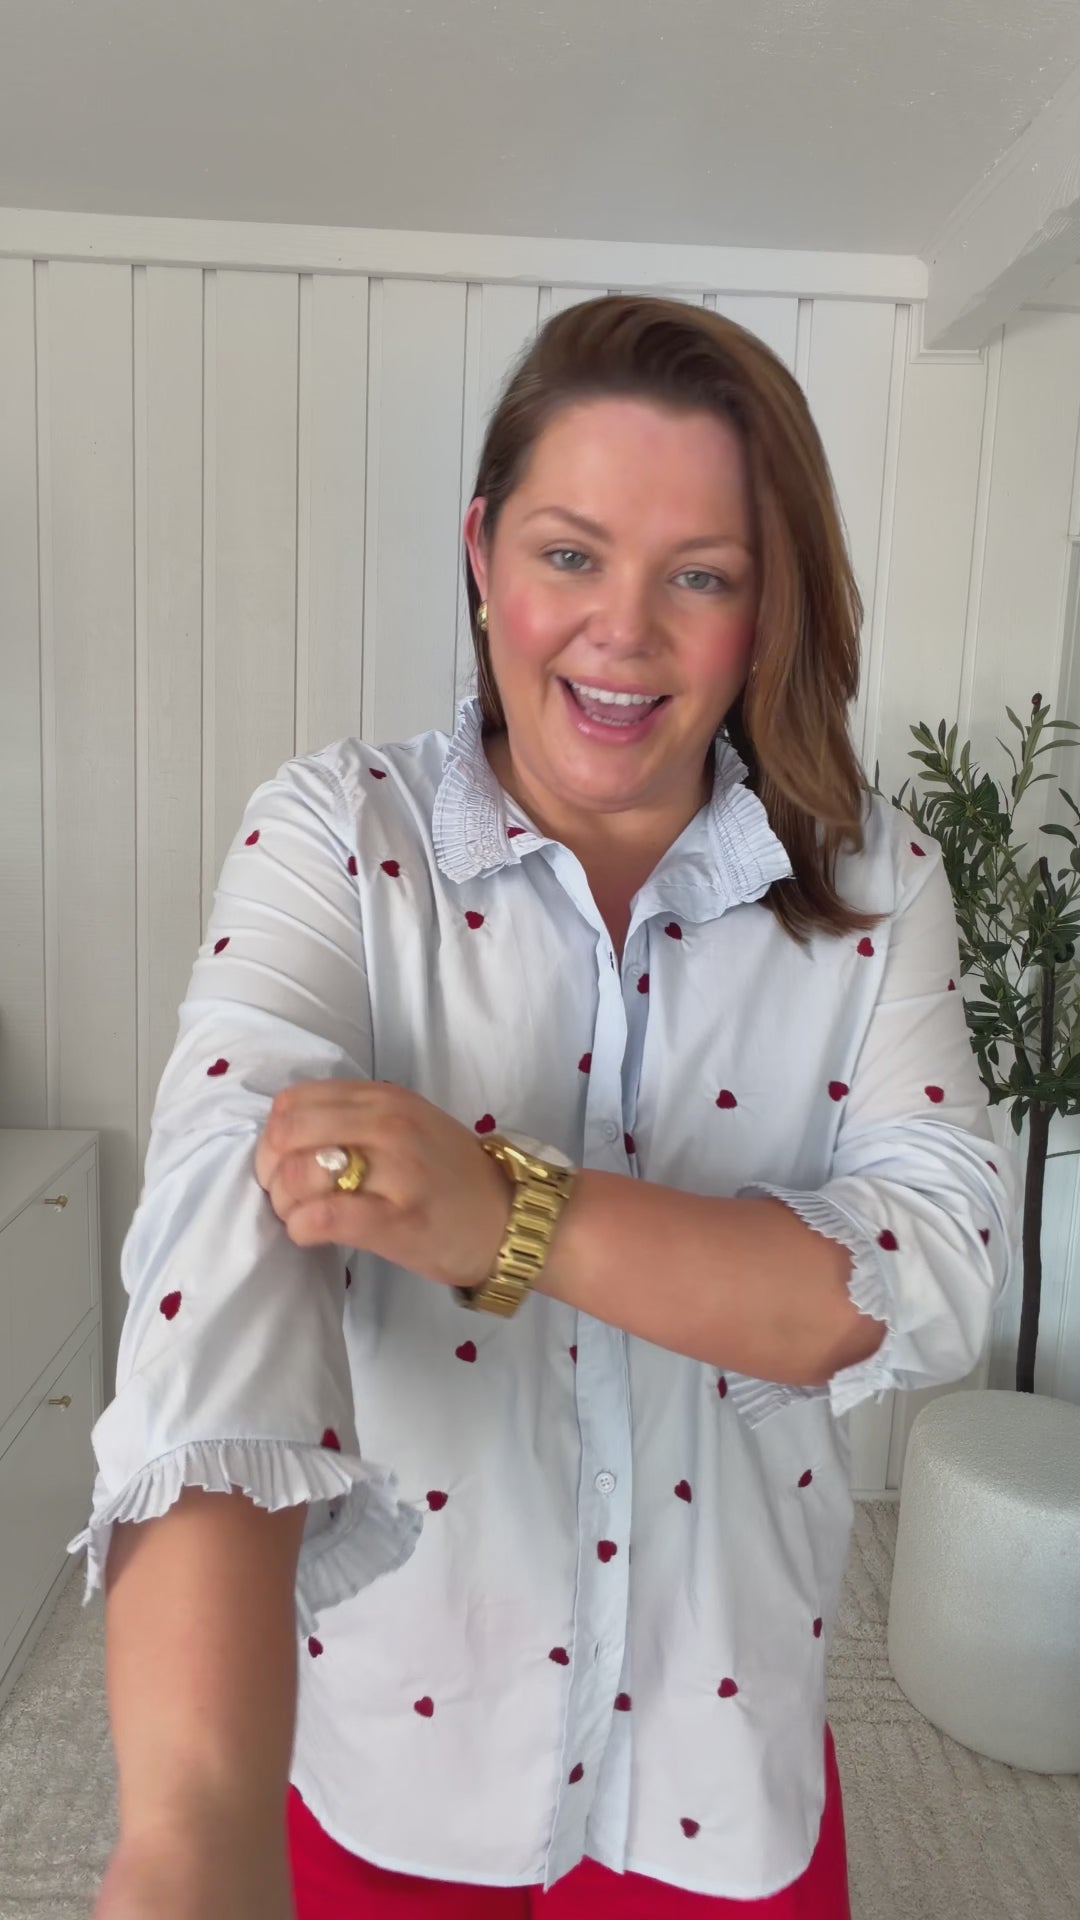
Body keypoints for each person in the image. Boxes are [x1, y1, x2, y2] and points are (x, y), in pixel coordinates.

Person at [74, 295, 1021, 1920]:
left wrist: (512, 1214)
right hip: (397, 1762)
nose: (621, 631)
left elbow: (930, 1271)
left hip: (724, 1772)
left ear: (767, 608)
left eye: (700, 575)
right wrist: (189, 1836)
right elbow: (218, 1278)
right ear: (481, 554)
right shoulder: (336, 838)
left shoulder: (879, 881)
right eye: (570, 554)